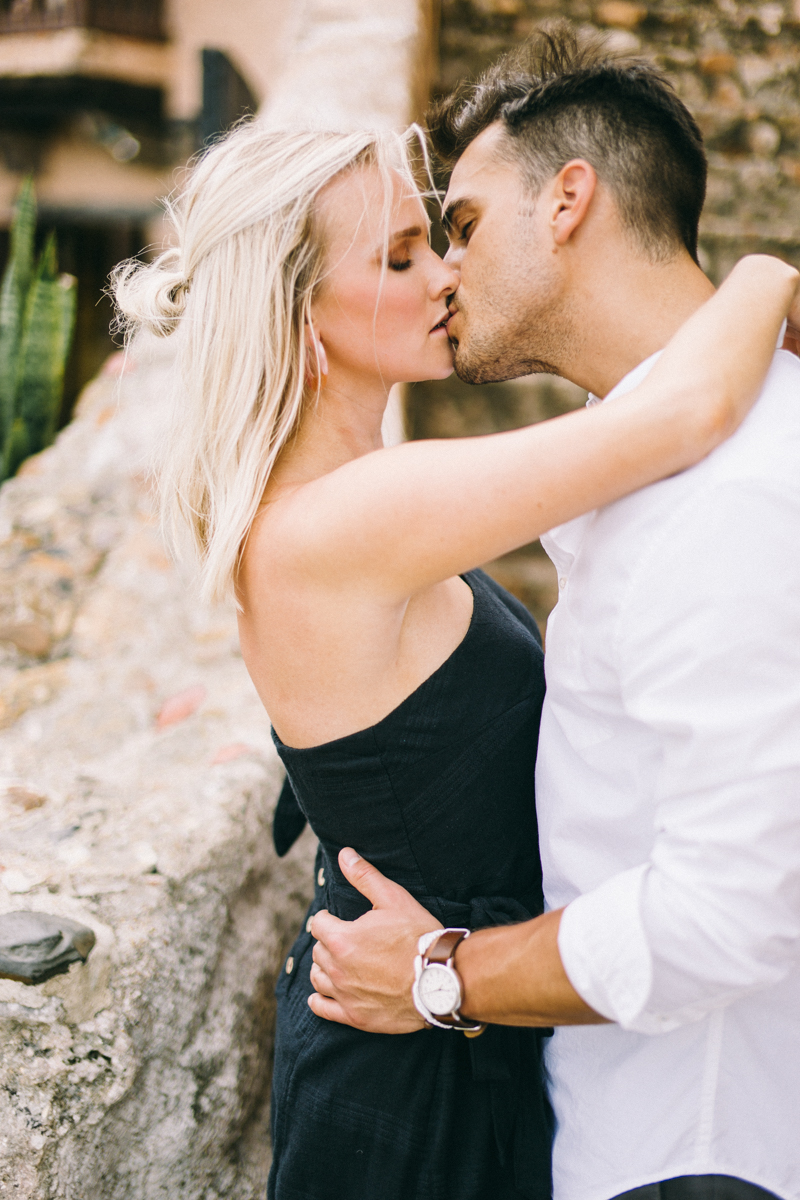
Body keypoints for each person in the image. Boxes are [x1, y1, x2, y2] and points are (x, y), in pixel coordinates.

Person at [111, 77, 798, 1200]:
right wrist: (767, 277)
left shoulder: (369, 497)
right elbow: (673, 419)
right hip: (402, 1075)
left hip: (464, 1033)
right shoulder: (344, 521)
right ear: (300, 317)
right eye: (397, 258)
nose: (442, 275)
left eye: (441, 238)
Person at [306, 30, 800, 1200]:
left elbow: (726, 914)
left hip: (688, 1149)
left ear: (567, 200)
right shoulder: (666, 461)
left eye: (462, 226)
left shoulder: (731, 496)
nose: (441, 274)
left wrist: (442, 977)